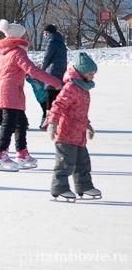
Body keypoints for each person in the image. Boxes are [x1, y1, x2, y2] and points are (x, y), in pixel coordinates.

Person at [0, 19, 63, 172]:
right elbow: (32, 70)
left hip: (10, 92)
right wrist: (54, 81)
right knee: (8, 125)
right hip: (10, 93)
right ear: (19, 38)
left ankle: (22, 154)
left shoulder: (5, 52)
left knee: (21, 124)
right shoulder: (17, 52)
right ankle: (0, 156)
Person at [47, 52, 101, 201]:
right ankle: (60, 188)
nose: (93, 76)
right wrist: (52, 123)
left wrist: (88, 126)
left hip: (79, 134)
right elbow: (58, 105)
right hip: (66, 133)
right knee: (65, 164)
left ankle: (84, 186)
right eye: (91, 73)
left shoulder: (83, 88)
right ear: (82, 72)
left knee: (83, 163)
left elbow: (80, 112)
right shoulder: (71, 87)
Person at [40, 24, 68, 129]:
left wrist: (41, 70)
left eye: (45, 33)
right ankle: (59, 120)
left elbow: (47, 58)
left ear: (48, 33)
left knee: (50, 95)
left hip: (52, 72)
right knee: (58, 96)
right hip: (61, 72)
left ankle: (49, 120)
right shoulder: (61, 42)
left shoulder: (52, 42)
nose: (44, 36)